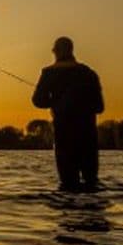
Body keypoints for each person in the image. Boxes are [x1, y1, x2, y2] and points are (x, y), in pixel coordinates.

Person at [31, 36, 104, 192]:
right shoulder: (89, 73)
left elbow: (37, 101)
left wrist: (55, 103)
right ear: (71, 51)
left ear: (56, 51)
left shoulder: (48, 73)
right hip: (88, 135)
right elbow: (99, 107)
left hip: (63, 135)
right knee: (91, 183)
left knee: (68, 184)